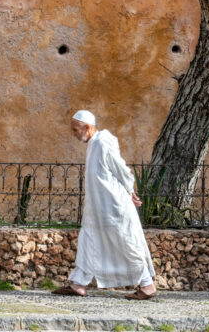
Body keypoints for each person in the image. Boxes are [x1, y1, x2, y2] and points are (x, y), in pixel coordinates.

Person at [53, 110, 157, 300]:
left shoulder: (102, 143)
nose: (74, 133)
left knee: (125, 243)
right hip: (98, 208)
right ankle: (78, 285)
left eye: (76, 130)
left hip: (113, 207)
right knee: (88, 241)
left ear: (87, 127)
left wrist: (130, 190)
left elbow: (120, 168)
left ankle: (147, 285)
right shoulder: (93, 144)